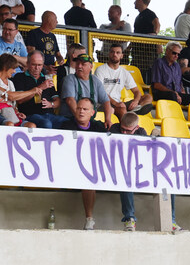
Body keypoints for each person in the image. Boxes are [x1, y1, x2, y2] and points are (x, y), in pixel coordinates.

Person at [110, 112, 181, 232]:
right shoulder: (114, 129)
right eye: (123, 129)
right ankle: (129, 218)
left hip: (141, 169)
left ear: (136, 128)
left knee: (168, 185)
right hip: (122, 170)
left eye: (128, 131)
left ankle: (171, 220)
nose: (124, 133)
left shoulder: (141, 133)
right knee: (126, 180)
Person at [61, 98, 107, 230]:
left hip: (91, 169)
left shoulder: (98, 127)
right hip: (70, 167)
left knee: (89, 177)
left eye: (85, 109)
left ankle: (89, 220)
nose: (81, 111)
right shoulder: (66, 126)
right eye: (79, 108)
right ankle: (89, 218)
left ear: (92, 112)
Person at [0, 54, 40, 127]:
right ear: (5, 67)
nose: (14, 71)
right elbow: (10, 96)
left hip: (7, 113)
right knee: (9, 124)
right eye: (13, 68)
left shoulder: (10, 83)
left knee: (31, 125)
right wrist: (32, 91)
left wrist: (17, 113)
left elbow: (12, 103)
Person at [94, 42, 153, 118]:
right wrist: (116, 103)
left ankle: (134, 111)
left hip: (118, 103)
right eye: (112, 52)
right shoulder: (100, 70)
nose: (115, 54)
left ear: (122, 56)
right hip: (103, 103)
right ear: (109, 54)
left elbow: (136, 91)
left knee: (148, 97)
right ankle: (128, 119)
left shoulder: (124, 72)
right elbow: (101, 92)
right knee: (121, 109)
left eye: (118, 53)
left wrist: (136, 101)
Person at [12, 50, 64, 129]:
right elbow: (20, 100)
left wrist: (51, 104)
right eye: (34, 65)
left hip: (49, 115)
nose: (37, 68)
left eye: (39, 65)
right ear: (28, 64)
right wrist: (41, 87)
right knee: (46, 124)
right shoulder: (20, 77)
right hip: (30, 115)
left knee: (68, 122)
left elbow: (57, 100)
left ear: (43, 65)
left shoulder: (46, 78)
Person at [60, 53, 114, 123]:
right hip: (71, 119)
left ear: (91, 66)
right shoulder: (69, 79)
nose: (79, 66)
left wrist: (108, 120)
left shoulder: (96, 81)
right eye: (77, 63)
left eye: (83, 64)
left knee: (102, 128)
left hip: (89, 121)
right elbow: (70, 100)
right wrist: (80, 120)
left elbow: (106, 101)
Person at [131, 0, 161, 78]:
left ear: (140, 0)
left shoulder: (149, 13)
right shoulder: (138, 16)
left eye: (135, 0)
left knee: (146, 74)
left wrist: (154, 34)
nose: (134, 2)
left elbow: (157, 23)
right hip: (137, 52)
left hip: (147, 53)